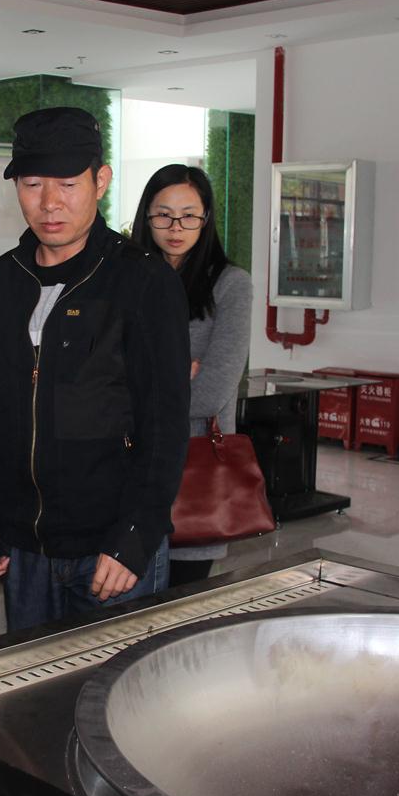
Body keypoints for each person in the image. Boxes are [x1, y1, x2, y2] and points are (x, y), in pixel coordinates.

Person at [0, 107, 190, 633]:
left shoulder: (143, 282)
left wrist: (134, 538)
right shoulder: (1, 282)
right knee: (32, 683)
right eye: (32, 184)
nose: (49, 203)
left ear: (100, 181)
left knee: (117, 681)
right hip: (24, 549)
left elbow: (165, 426)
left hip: (112, 550)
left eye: (67, 183)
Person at [130, 165, 254, 586]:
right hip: (125, 469)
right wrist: (176, 376)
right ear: (146, 217)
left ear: (206, 218)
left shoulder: (230, 285)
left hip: (193, 469)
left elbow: (213, 390)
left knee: (178, 606)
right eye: (163, 215)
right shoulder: (127, 280)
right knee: (124, 608)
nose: (175, 228)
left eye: (188, 216)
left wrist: (141, 383)